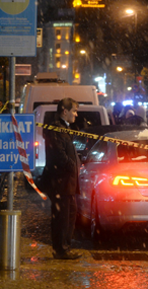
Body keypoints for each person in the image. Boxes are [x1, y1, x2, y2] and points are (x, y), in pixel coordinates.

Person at [40, 98, 82, 260]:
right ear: (65, 111)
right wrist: (73, 165)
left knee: (70, 215)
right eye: (74, 111)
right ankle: (61, 249)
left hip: (67, 183)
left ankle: (65, 247)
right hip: (60, 183)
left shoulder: (64, 128)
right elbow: (59, 155)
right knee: (62, 217)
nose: (76, 115)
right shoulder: (56, 129)